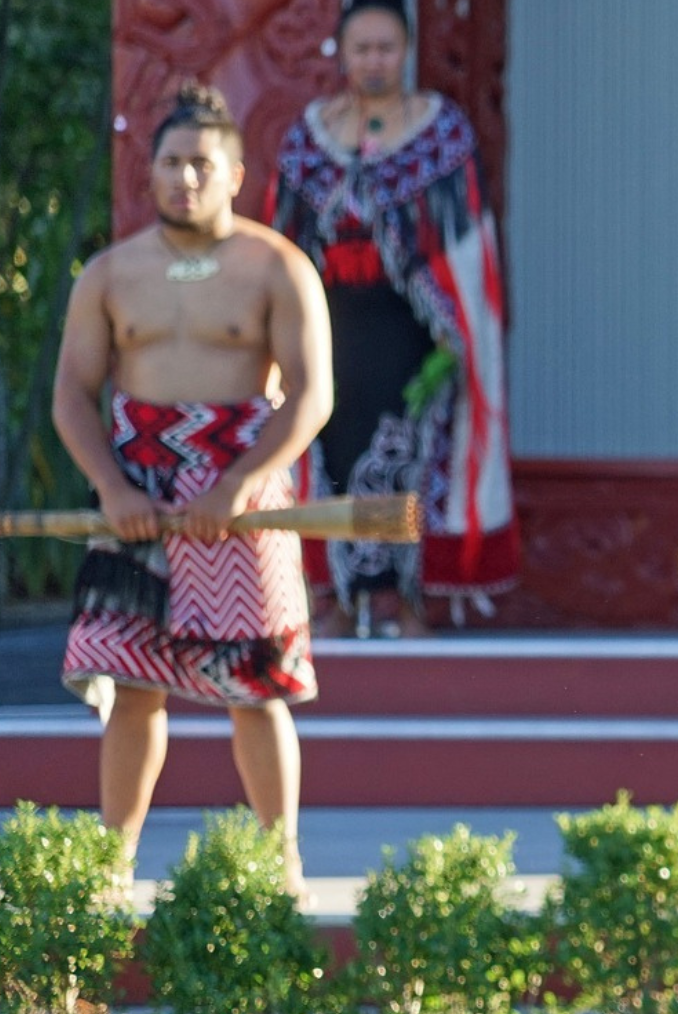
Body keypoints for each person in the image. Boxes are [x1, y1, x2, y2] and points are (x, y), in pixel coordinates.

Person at [53, 83, 333, 897]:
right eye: (171, 163)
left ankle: (281, 865)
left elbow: (312, 394)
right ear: (151, 172)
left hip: (243, 497)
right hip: (136, 490)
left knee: (257, 687)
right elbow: (74, 391)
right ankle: (111, 867)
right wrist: (110, 485)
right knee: (132, 684)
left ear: (235, 172)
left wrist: (238, 484)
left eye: (201, 164)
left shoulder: (278, 265)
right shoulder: (111, 272)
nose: (185, 178)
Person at [268, 0, 516, 638]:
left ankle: (402, 598)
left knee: (408, 459)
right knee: (329, 453)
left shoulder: (442, 132)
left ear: (405, 52)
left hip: (413, 333)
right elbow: (281, 241)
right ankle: (332, 595)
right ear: (341, 53)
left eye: (385, 48)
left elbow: (468, 247)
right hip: (330, 330)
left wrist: (453, 335)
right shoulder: (309, 138)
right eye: (362, 48)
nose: (374, 61)